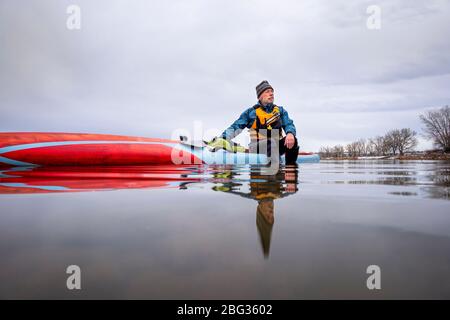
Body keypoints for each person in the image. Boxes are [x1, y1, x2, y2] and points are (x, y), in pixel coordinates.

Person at [208, 80, 300, 164]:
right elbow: (236, 127)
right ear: (260, 96)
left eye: (272, 91)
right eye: (267, 92)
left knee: (294, 141)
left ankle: (290, 170)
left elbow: (289, 124)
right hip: (257, 147)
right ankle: (278, 169)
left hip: (275, 147)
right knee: (270, 142)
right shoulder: (251, 113)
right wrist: (223, 138)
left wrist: (290, 133)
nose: (271, 94)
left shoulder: (280, 111)